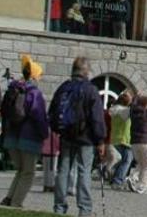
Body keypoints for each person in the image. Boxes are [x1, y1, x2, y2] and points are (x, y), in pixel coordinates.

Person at [49, 57, 106, 216]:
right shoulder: (90, 89)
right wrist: (100, 139)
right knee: (84, 171)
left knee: (63, 170)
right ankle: (84, 209)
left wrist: (58, 130)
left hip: (66, 135)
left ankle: (59, 208)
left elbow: (52, 112)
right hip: (86, 137)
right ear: (86, 71)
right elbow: (97, 117)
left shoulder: (63, 88)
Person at [0, 55, 48, 206]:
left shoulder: (13, 89)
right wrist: (44, 133)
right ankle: (16, 203)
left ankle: (8, 199)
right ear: (34, 76)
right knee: (28, 173)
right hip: (29, 137)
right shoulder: (34, 93)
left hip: (12, 135)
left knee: (20, 170)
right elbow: (38, 115)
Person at [107, 92, 132, 189]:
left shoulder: (114, 110)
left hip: (115, 137)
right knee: (127, 160)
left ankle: (113, 172)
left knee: (124, 160)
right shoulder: (124, 111)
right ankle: (118, 180)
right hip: (124, 138)